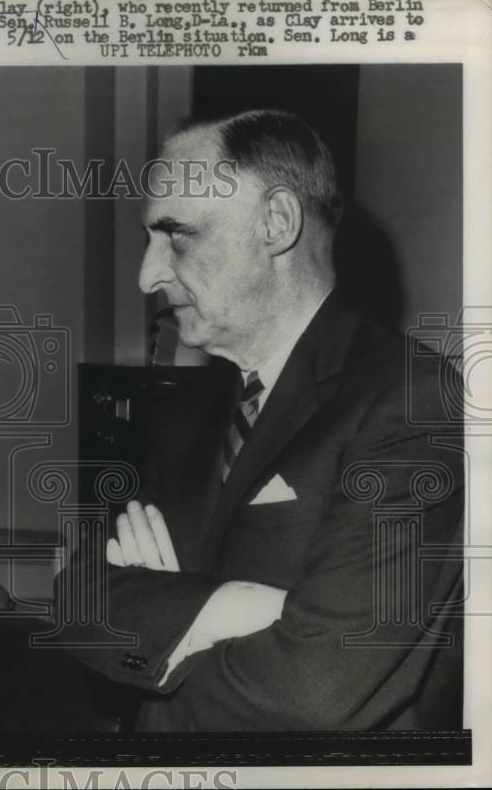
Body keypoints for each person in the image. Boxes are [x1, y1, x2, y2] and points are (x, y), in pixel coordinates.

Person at [64, 110, 464, 730]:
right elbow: (76, 599)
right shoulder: (185, 409)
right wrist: (235, 608)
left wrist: (157, 625)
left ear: (275, 223)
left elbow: (315, 687)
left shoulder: (414, 400)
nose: (148, 275)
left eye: (177, 236)